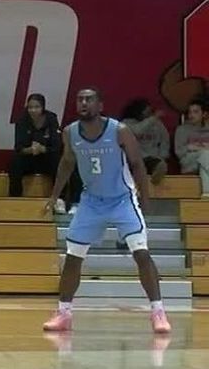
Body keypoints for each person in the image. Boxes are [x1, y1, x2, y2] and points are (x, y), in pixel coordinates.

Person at [42, 87, 170, 334]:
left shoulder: (119, 130)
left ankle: (158, 312)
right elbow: (67, 162)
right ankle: (63, 313)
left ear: (100, 105)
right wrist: (54, 195)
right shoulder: (70, 132)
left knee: (141, 253)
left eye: (89, 99)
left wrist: (145, 196)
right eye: (80, 99)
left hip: (122, 199)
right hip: (91, 201)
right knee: (73, 256)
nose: (83, 103)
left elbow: (137, 164)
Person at [10, 93, 63, 200]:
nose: (33, 110)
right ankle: (14, 198)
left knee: (58, 161)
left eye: (36, 107)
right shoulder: (21, 121)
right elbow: (18, 148)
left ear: (43, 107)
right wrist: (30, 150)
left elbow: (57, 145)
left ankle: (60, 199)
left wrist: (43, 149)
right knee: (15, 162)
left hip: (47, 158)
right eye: (30, 107)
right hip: (29, 158)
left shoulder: (51, 118)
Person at [121, 97, 171, 185]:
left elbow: (165, 140)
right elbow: (137, 130)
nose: (148, 113)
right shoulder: (126, 123)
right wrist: (153, 118)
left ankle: (155, 178)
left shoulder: (157, 123)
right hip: (132, 159)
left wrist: (162, 156)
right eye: (146, 111)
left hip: (151, 158)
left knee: (159, 164)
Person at [175, 97, 209, 196]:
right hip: (188, 161)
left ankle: (206, 196)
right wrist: (191, 147)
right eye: (190, 112)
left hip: (205, 162)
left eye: (195, 112)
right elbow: (179, 153)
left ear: (204, 114)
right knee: (205, 154)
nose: (191, 115)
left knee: (205, 160)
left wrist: (198, 147)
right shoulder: (182, 130)